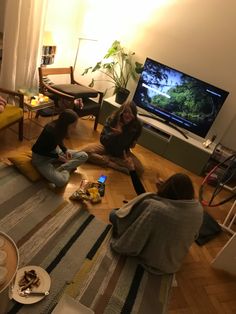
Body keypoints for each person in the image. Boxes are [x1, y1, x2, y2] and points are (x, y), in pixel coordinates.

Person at [109, 156, 203, 274]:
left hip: (157, 260)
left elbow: (144, 201)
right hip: (173, 259)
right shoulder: (197, 208)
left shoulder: (156, 208)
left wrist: (132, 170)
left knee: (114, 214)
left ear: (168, 188)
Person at [82, 101, 144, 175]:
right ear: (121, 112)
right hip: (107, 148)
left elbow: (131, 144)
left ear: (134, 114)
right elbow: (102, 140)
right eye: (125, 112)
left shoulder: (137, 125)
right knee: (84, 153)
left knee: (140, 170)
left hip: (122, 152)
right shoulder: (112, 119)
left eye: (130, 113)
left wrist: (130, 141)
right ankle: (113, 165)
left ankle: (109, 159)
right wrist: (113, 134)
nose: (128, 115)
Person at [32, 109, 88, 187]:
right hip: (41, 159)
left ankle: (63, 168)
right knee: (61, 182)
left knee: (84, 155)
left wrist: (65, 150)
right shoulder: (50, 130)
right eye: (73, 125)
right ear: (66, 124)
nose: (74, 128)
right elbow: (36, 150)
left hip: (54, 152)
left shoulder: (60, 128)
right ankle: (68, 167)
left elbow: (58, 140)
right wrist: (57, 157)